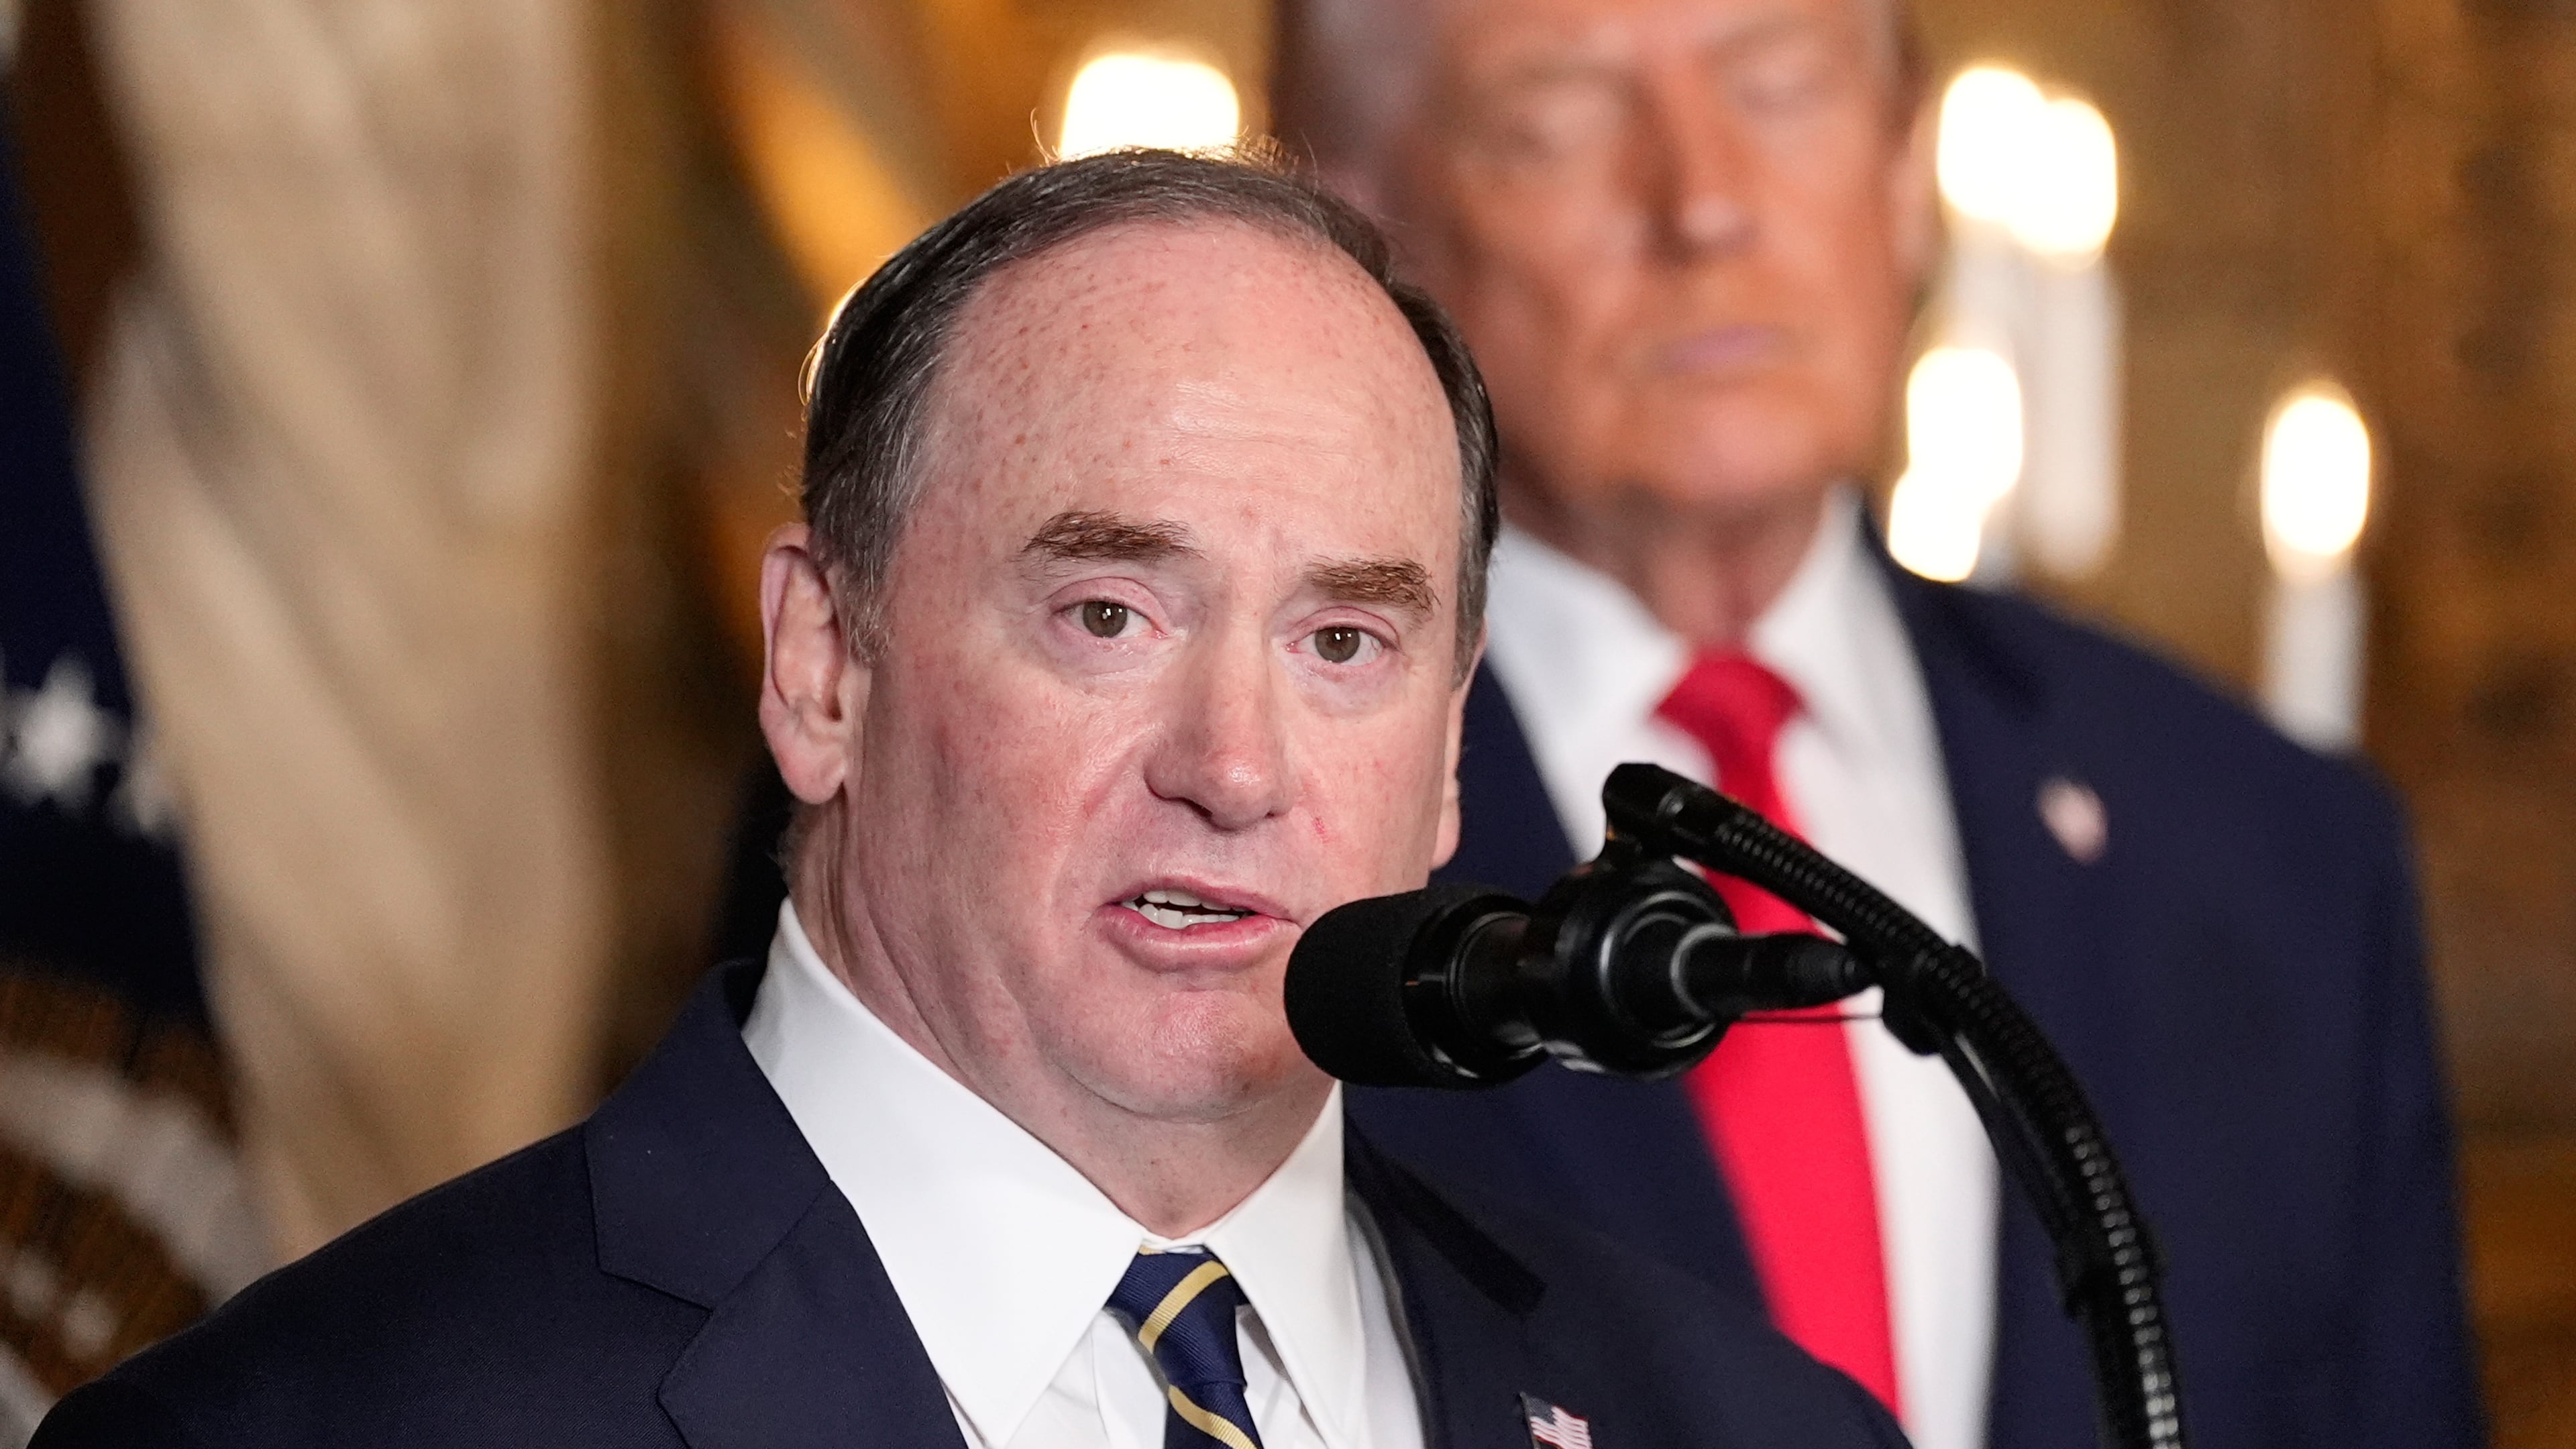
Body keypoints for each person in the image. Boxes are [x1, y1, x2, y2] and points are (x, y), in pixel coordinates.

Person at [31, 150, 1912, 1449]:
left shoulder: (1745, 1424)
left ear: (1447, 760)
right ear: (821, 670)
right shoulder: (322, 1432)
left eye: (1345, 643)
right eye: (1107, 611)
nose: (1235, 768)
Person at [1267, 5, 2483, 1449]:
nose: (1704, 203)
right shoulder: (1255, 848)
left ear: (1907, 171)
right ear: (1362, 220)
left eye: (1777, 91)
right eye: (1562, 121)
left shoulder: (2265, 843)